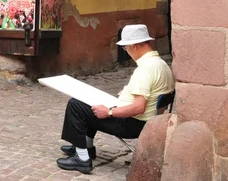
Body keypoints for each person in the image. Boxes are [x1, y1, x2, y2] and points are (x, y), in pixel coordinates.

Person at [56, 24, 174, 174]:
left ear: (134, 46)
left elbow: (139, 107)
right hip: (147, 121)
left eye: (126, 48)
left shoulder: (145, 70)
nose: (127, 51)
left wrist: (109, 112)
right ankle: (87, 146)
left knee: (75, 105)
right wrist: (126, 92)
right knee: (90, 101)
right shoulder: (161, 64)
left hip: (132, 124)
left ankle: (82, 158)